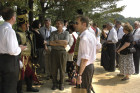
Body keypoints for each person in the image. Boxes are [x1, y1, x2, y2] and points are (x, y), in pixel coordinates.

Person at [0, 8, 26, 93]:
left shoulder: (1, 28)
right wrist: (20, 48)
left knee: (3, 86)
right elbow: (12, 51)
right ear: (12, 18)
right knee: (10, 87)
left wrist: (16, 47)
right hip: (10, 63)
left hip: (2, 60)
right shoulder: (10, 31)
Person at [16, 9, 39, 93]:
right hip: (21, 56)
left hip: (29, 56)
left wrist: (34, 54)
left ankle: (29, 87)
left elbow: (33, 45)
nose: (27, 25)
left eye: (28, 24)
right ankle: (19, 90)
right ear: (21, 25)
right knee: (20, 74)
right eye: (26, 24)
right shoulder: (17, 34)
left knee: (30, 73)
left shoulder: (30, 33)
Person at [75, 15, 96, 93]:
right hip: (89, 66)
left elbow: (84, 59)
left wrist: (80, 75)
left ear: (84, 24)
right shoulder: (91, 35)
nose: (75, 25)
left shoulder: (84, 38)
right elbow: (97, 47)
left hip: (85, 68)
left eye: (77, 23)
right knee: (86, 89)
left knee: (83, 90)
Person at [50, 19, 69, 90]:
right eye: (56, 24)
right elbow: (51, 43)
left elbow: (66, 42)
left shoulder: (66, 33)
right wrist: (61, 43)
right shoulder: (53, 33)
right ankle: (54, 83)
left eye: (59, 24)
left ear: (62, 25)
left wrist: (56, 41)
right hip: (54, 52)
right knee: (54, 69)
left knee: (62, 69)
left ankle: (61, 84)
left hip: (62, 53)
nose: (57, 25)